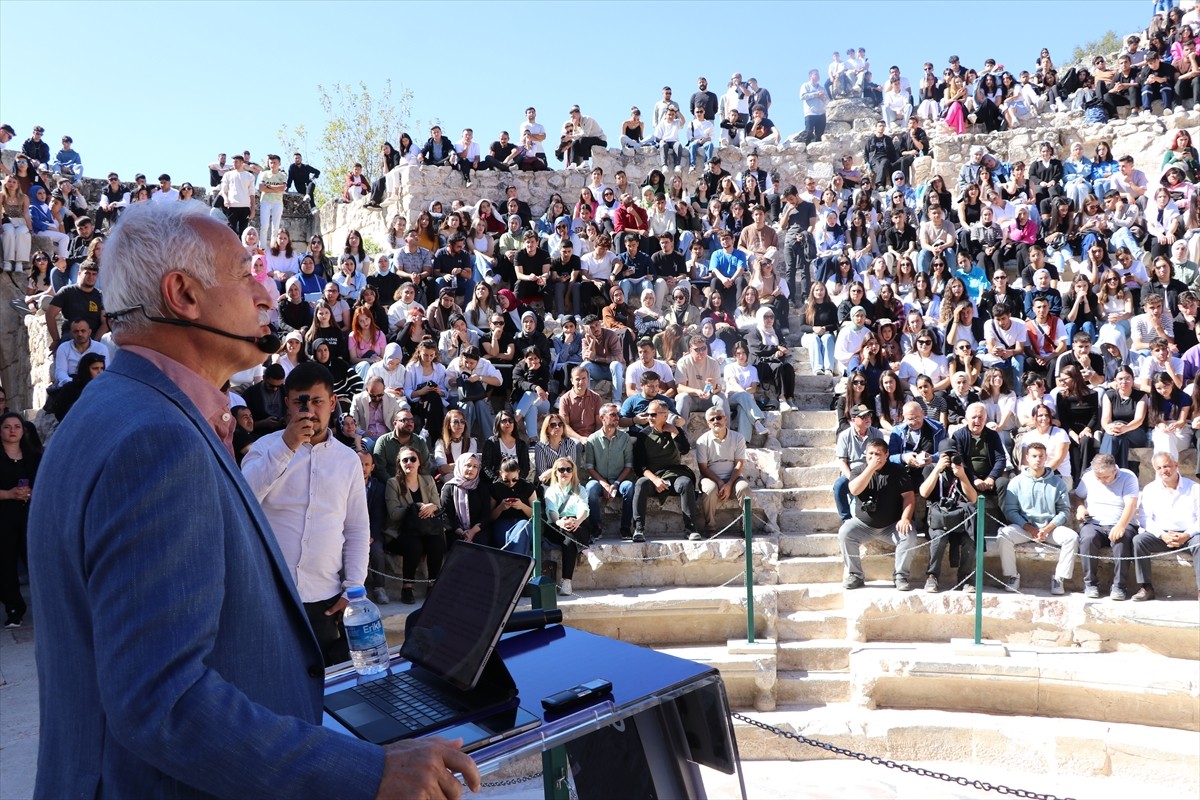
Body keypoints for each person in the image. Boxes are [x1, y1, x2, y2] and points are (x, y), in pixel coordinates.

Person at [28, 201, 479, 797]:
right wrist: (366, 773)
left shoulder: (115, 413)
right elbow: (164, 702)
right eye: (245, 274)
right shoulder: (156, 442)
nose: (266, 293)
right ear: (183, 294)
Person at [242, 362, 369, 667]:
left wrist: (354, 588)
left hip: (325, 600)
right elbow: (242, 500)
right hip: (270, 598)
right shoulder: (264, 449)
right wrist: (288, 445)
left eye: (317, 401)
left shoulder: (348, 461)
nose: (309, 410)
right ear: (287, 402)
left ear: (332, 403)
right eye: (301, 401)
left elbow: (356, 529)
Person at [997, 441, 1077, 595]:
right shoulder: (1016, 482)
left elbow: (1064, 512)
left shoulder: (1058, 483)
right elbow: (1011, 510)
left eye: (1041, 456)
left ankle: (1059, 578)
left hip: (1050, 529)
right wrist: (1030, 528)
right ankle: (1012, 576)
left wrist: (1046, 529)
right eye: (1034, 456)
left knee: (1071, 537)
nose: (1038, 459)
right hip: (1025, 528)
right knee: (1003, 534)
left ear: (1046, 457)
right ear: (1027, 458)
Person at [838, 436, 918, 591]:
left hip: (892, 525)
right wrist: (870, 468)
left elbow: (909, 497)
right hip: (863, 524)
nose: (874, 457)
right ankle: (855, 575)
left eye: (878, 454)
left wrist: (905, 518)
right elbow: (854, 490)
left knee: (909, 536)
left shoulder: (897, 471)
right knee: (845, 532)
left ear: (886, 455)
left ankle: (900, 576)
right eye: (871, 454)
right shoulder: (858, 470)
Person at [1131, 452, 1200, 601]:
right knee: (1139, 541)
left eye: (1167, 466)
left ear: (1176, 465)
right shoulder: (1150, 489)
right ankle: (1146, 588)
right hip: (1161, 535)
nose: (1164, 471)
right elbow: (1144, 518)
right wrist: (1162, 535)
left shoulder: (1194, 488)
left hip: (1189, 535)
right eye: (1159, 468)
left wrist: (1186, 535)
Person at [385, 444, 445, 605]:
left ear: (419, 463)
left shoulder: (428, 480)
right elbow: (393, 513)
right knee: (414, 545)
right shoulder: (393, 483)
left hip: (426, 529)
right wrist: (416, 508)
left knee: (437, 543)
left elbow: (437, 505)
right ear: (400, 463)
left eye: (413, 459)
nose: (409, 462)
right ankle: (407, 587)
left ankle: (432, 585)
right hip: (400, 532)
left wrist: (432, 506)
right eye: (405, 460)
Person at [1075, 454, 1140, 601]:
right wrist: (1080, 508)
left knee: (1121, 540)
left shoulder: (1128, 477)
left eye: (1105, 477)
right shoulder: (1089, 476)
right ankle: (1090, 584)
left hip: (1121, 521)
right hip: (1095, 522)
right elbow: (1078, 496)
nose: (1101, 481)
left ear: (1114, 471)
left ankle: (1119, 586)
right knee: (1087, 538)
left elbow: (1131, 505)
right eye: (1098, 477)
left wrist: (1121, 525)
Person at [631, 400, 698, 541]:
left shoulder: (675, 431)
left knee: (685, 483)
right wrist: (655, 480)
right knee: (640, 484)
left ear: (665, 416)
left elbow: (684, 450)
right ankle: (639, 529)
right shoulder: (642, 436)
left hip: (674, 475)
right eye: (648, 414)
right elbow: (640, 466)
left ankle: (690, 528)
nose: (650, 418)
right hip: (653, 477)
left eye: (654, 415)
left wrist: (674, 431)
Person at [0, 411, 37, 628]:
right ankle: (14, 609)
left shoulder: (34, 456)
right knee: (5, 563)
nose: (13, 431)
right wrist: (9, 494)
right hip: (4, 516)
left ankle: (46, 606)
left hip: (30, 515)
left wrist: (32, 492)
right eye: (7, 427)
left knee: (35, 560)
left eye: (17, 426)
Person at [695, 405, 750, 537]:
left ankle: (746, 525)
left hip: (733, 476)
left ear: (725, 419)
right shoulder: (702, 441)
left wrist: (729, 484)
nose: (716, 421)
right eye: (712, 419)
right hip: (711, 477)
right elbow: (703, 468)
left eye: (719, 417)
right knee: (709, 490)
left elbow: (739, 463)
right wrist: (720, 483)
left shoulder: (738, 438)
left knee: (744, 488)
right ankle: (710, 526)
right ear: (708, 423)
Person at [584, 403, 635, 541]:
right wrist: (604, 484)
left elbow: (628, 466)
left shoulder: (625, 438)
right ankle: (595, 528)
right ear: (602, 418)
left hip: (619, 480)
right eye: (613, 415)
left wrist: (616, 483)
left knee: (629, 487)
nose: (617, 418)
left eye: (618, 415)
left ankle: (625, 528)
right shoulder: (593, 439)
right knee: (590, 488)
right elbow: (590, 467)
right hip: (598, 480)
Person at [542, 457, 590, 595]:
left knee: (569, 539)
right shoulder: (551, 491)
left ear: (572, 472)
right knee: (568, 533)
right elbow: (552, 511)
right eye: (561, 469)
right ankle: (586, 550)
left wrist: (577, 521)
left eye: (568, 469)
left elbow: (584, 508)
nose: (565, 472)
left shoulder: (580, 489)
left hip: (577, 525)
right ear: (556, 472)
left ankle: (566, 582)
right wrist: (560, 522)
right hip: (556, 526)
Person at [835, 404, 885, 523]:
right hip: (852, 471)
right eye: (863, 417)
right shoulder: (844, 436)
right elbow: (842, 461)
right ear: (853, 420)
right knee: (838, 486)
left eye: (869, 415)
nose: (867, 418)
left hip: (873, 469)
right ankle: (846, 519)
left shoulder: (877, 434)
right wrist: (851, 478)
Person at [490, 455, 536, 553]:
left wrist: (522, 506)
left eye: (514, 479)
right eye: (506, 480)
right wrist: (500, 508)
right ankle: (518, 562)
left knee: (522, 527)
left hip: (523, 523)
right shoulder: (496, 487)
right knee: (513, 538)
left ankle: (513, 561)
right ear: (500, 474)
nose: (511, 483)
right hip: (502, 523)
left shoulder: (527, 486)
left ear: (518, 473)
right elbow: (489, 517)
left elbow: (536, 515)